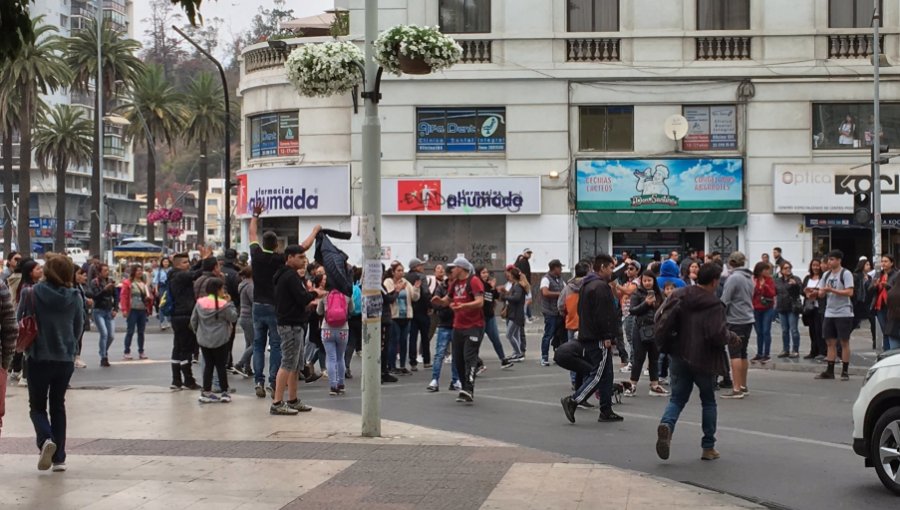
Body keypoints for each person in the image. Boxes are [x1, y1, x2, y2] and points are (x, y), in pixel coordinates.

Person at [655, 263, 739, 461]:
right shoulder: (714, 304)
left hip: (678, 354)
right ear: (714, 281)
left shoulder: (678, 294)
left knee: (677, 398)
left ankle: (667, 425)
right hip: (704, 359)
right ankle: (708, 447)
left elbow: (662, 318)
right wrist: (731, 336)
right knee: (708, 401)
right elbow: (716, 334)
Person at [248, 203, 320, 398]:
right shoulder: (281, 259)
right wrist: (315, 231)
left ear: (263, 243)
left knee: (257, 344)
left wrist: (256, 214)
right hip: (274, 305)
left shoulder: (256, 255)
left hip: (257, 304)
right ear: (278, 246)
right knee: (277, 344)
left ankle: (258, 381)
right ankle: (273, 381)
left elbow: (251, 233)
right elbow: (303, 246)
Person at [19, 256, 83, 472]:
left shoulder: (31, 292)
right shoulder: (75, 296)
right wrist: (72, 349)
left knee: (37, 406)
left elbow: (21, 320)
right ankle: (59, 458)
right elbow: (79, 326)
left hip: (38, 356)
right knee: (58, 405)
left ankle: (46, 439)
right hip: (64, 358)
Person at [557, 254, 623, 423]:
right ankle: (574, 400)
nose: (611, 271)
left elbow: (582, 310)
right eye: (610, 268)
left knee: (607, 374)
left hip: (589, 334)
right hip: (598, 337)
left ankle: (606, 410)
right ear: (602, 268)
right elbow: (604, 315)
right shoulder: (600, 287)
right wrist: (607, 336)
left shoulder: (587, 285)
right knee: (599, 374)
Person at [271, 245, 321, 414]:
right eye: (300, 256)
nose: (303, 260)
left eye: (304, 256)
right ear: (289, 257)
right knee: (287, 362)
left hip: (295, 323)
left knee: (295, 365)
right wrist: (315, 294)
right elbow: (301, 298)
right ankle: (277, 402)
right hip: (290, 324)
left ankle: (292, 399)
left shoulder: (287, 275)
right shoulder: (289, 276)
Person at [434, 257, 485, 403]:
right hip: (458, 326)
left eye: (454, 267)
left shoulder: (473, 281)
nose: (451, 270)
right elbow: (447, 300)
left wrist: (464, 306)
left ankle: (469, 388)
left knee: (469, 357)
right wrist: (439, 302)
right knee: (458, 359)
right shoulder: (455, 283)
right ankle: (464, 387)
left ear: (461, 269)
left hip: (474, 326)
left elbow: (479, 302)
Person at [167, 249, 213, 391]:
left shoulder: (173, 275)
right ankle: (188, 379)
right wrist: (205, 260)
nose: (188, 264)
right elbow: (196, 273)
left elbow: (193, 270)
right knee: (187, 348)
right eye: (185, 262)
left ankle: (176, 379)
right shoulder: (181, 276)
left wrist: (200, 260)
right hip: (185, 314)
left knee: (178, 347)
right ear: (178, 265)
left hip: (176, 315)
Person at [190, 278, 238, 403]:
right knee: (221, 366)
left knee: (208, 365)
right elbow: (233, 317)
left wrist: (198, 333)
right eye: (222, 289)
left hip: (204, 339)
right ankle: (224, 392)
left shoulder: (200, 303)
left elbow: (193, 320)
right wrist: (230, 302)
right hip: (221, 338)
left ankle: (206, 392)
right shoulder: (223, 304)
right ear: (218, 290)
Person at [626, 270, 669, 397]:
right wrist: (646, 303)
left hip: (655, 328)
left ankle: (654, 385)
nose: (647, 283)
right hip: (640, 329)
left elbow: (664, 310)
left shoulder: (659, 293)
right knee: (639, 358)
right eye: (645, 280)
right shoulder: (637, 293)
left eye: (649, 280)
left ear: (654, 280)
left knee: (654, 358)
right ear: (641, 281)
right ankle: (632, 384)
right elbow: (632, 310)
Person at [815, 250, 855, 381]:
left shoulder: (846, 273)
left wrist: (831, 290)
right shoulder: (826, 275)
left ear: (839, 260)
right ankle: (830, 370)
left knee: (844, 341)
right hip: (829, 311)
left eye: (832, 259)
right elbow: (821, 293)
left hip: (844, 312)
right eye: (828, 260)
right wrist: (813, 293)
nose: (829, 262)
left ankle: (845, 371)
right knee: (829, 342)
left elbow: (849, 292)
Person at [720, 251, 754, 400]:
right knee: (743, 353)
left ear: (731, 263)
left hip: (735, 319)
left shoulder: (734, 278)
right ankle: (743, 385)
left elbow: (725, 299)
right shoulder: (748, 277)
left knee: (734, 353)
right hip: (747, 317)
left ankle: (736, 388)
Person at [383, 261, 421, 374]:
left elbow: (414, 298)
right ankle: (392, 365)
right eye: (398, 270)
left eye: (402, 270)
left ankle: (403, 365)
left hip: (406, 315)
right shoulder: (388, 281)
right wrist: (397, 289)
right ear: (393, 272)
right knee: (394, 341)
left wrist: (416, 288)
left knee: (404, 341)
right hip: (395, 316)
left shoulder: (405, 282)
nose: (401, 273)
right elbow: (389, 296)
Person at [426, 272, 460, 392]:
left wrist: (446, 304)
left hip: (457, 323)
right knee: (439, 353)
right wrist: (446, 305)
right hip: (444, 323)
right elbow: (435, 303)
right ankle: (435, 379)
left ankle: (455, 380)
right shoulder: (441, 287)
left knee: (456, 353)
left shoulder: (460, 287)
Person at [318, 281, 354, 396]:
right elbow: (352, 310)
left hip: (327, 329)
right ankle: (341, 384)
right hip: (343, 330)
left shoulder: (325, 296)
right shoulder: (347, 296)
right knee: (340, 357)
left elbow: (319, 311)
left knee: (331, 358)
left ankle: (333, 386)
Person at [478, 266, 513, 369]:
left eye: (486, 272)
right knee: (476, 342)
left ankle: (503, 359)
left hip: (490, 317)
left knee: (496, 339)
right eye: (483, 272)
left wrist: (493, 288)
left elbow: (496, 297)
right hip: (480, 317)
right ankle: (475, 362)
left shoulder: (489, 285)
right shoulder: (478, 285)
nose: (485, 274)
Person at [87, 263, 117, 368]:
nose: (107, 272)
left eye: (108, 270)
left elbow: (115, 296)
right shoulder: (94, 282)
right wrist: (104, 290)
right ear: (99, 272)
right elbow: (95, 296)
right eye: (104, 271)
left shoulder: (109, 281)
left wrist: (116, 309)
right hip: (98, 310)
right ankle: (103, 357)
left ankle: (103, 351)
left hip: (109, 310)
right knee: (104, 333)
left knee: (111, 335)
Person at [120, 264, 151, 361]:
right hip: (132, 309)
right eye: (138, 270)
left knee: (141, 332)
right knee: (130, 331)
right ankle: (126, 351)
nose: (140, 272)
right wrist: (124, 309)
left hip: (142, 309)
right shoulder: (128, 283)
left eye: (141, 271)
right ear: (134, 272)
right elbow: (124, 296)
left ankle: (141, 351)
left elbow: (148, 296)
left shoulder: (143, 283)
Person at [405, 258, 432, 371]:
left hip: (411, 310)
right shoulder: (421, 277)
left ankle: (413, 362)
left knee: (413, 337)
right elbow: (425, 292)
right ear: (415, 267)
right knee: (425, 336)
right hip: (422, 310)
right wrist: (430, 306)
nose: (422, 267)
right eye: (420, 265)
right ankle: (426, 360)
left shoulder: (405, 277)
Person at [774, 261, 803, 358]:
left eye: (789, 267)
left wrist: (795, 285)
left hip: (792, 307)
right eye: (785, 268)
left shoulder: (796, 279)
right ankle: (785, 349)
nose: (788, 269)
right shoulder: (777, 280)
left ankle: (795, 350)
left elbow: (800, 291)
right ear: (781, 270)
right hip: (782, 308)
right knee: (784, 330)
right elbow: (774, 292)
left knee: (794, 330)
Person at [539, 259, 565, 367]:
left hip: (559, 312)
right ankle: (544, 357)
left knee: (559, 335)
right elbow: (545, 292)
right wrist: (559, 294)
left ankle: (557, 355)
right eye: (560, 268)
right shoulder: (546, 279)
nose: (561, 270)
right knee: (548, 334)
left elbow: (566, 289)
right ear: (555, 268)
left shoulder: (560, 279)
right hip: (550, 312)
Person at [220, 249, 242, 373]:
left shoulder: (220, 271)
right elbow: (237, 291)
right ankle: (228, 360)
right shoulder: (235, 274)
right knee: (230, 334)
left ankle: (225, 360)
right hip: (231, 304)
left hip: (216, 305)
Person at [871, 254, 898, 352]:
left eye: (886, 261)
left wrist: (887, 286)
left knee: (891, 330)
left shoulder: (896, 274)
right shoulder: (879, 274)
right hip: (880, 306)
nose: (883, 263)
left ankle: (890, 351)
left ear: (892, 263)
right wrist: (874, 286)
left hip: (891, 307)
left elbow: (897, 290)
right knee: (885, 331)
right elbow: (870, 290)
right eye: (882, 261)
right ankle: (886, 352)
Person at [751, 261, 776, 363]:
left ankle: (766, 353)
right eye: (766, 270)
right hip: (756, 308)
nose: (768, 271)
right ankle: (759, 353)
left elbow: (772, 293)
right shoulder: (754, 279)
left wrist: (765, 286)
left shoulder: (769, 280)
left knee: (766, 330)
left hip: (767, 307)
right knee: (759, 332)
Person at [802, 259, 827, 360]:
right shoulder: (808, 278)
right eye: (813, 265)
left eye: (817, 265)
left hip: (819, 307)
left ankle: (822, 351)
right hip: (809, 307)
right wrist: (806, 292)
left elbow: (824, 291)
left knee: (819, 330)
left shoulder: (823, 278)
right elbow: (802, 290)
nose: (815, 267)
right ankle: (813, 351)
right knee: (812, 330)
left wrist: (815, 292)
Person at [233, 266, 254, 378]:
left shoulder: (243, 284)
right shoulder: (250, 285)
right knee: (256, 344)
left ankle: (247, 367)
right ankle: (240, 364)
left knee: (249, 343)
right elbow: (254, 300)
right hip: (249, 317)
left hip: (243, 316)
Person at [503, 266, 528, 361]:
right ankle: (517, 353)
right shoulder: (517, 285)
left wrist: (506, 297)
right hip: (515, 313)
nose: (508, 275)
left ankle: (518, 353)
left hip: (516, 314)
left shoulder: (517, 286)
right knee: (515, 334)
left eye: (509, 274)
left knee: (509, 335)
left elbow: (516, 298)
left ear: (513, 276)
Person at [151, 257, 171, 330]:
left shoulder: (171, 270)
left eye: (167, 262)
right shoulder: (159, 271)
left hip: (169, 287)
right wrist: (156, 290)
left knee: (169, 303)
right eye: (164, 262)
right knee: (162, 304)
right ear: (162, 263)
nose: (166, 263)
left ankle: (169, 321)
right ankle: (162, 322)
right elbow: (156, 281)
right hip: (162, 287)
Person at [514, 249, 533, 322]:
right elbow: (523, 273)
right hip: (524, 283)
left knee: (526, 300)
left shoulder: (523, 260)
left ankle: (528, 315)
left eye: (530, 253)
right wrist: (526, 284)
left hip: (525, 283)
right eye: (528, 253)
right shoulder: (523, 261)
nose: (529, 255)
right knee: (527, 300)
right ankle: (525, 316)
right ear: (524, 253)